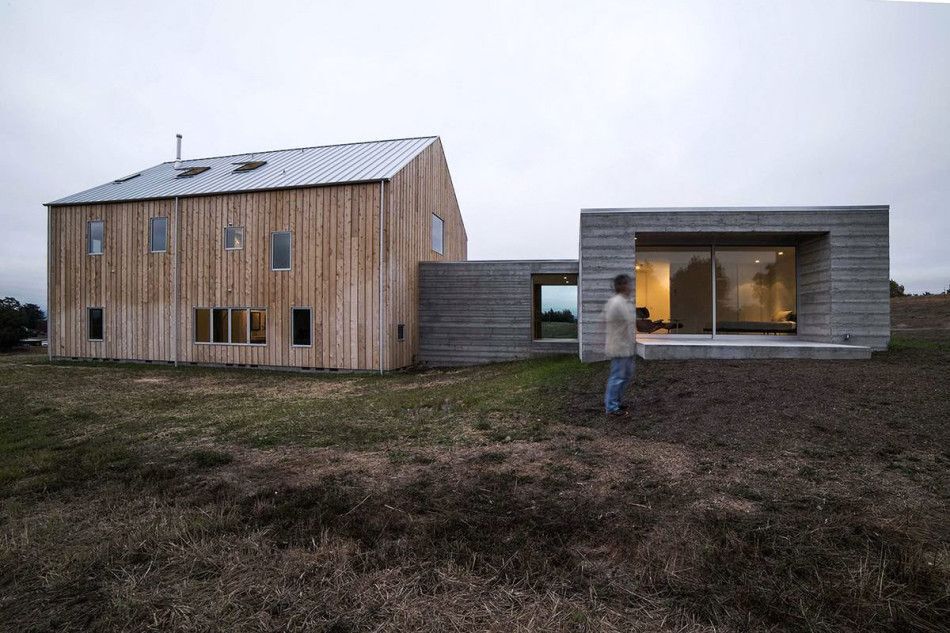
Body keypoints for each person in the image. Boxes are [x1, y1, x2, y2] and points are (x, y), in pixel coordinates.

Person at [604, 273, 636, 416]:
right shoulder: (616, 302)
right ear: (620, 286)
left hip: (626, 346)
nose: (630, 287)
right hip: (619, 346)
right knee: (617, 377)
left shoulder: (625, 301)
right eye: (627, 284)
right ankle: (611, 407)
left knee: (626, 375)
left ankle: (616, 401)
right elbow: (610, 321)